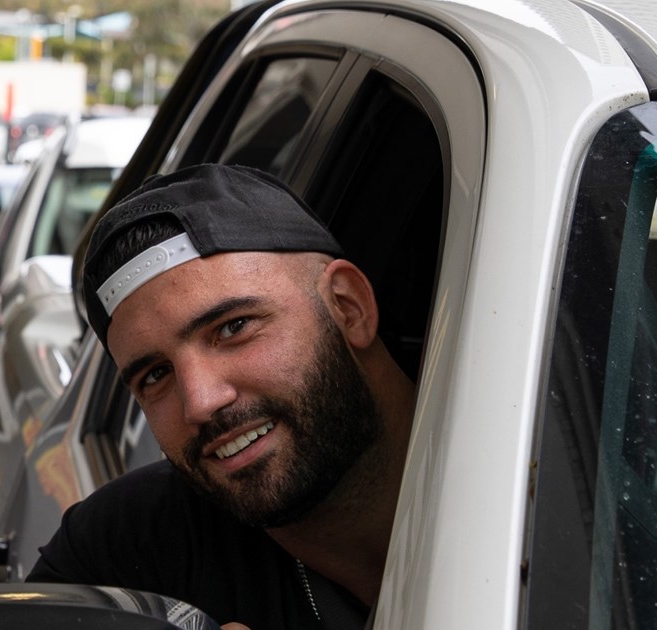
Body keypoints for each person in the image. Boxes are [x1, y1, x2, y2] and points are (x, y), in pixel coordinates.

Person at [27, 164, 418, 630]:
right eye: (155, 375)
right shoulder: (121, 553)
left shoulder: (521, 479)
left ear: (348, 308)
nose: (200, 402)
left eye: (233, 328)